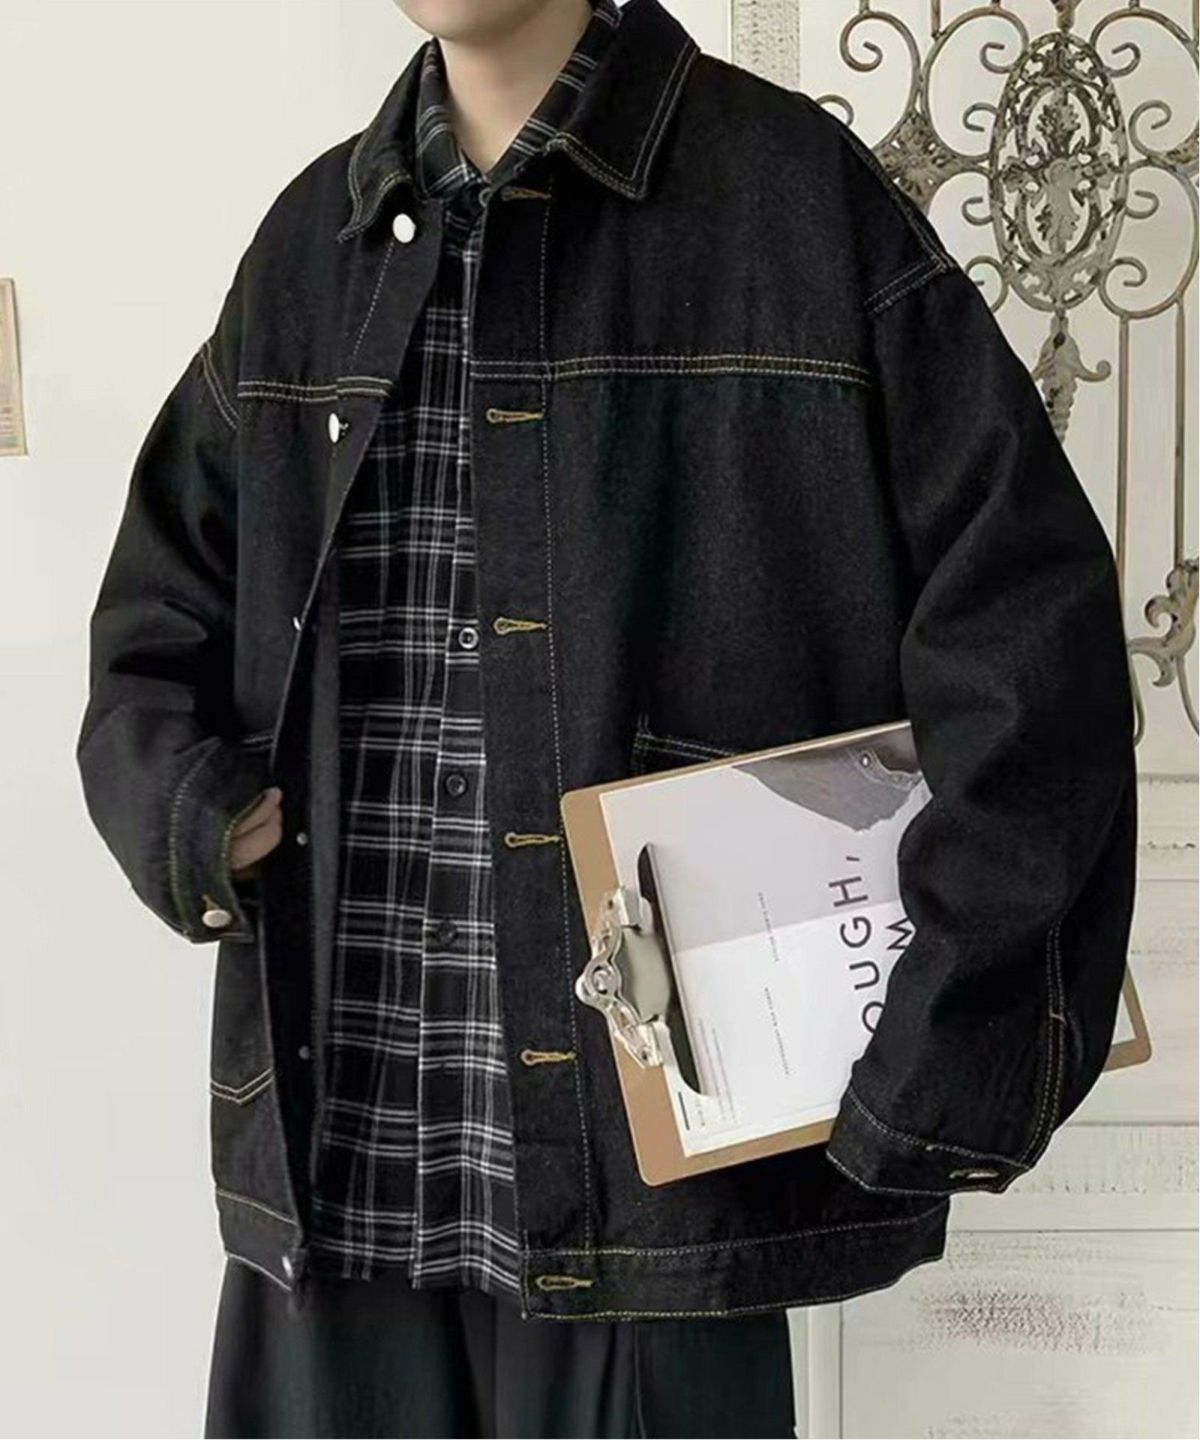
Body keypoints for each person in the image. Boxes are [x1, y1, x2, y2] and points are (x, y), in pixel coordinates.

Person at [76, 0, 1138, 1436]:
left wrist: (944, 1034)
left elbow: (1033, 643)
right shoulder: (310, 246)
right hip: (338, 1160)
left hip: (654, 1200)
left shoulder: (790, 204)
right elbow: (155, 616)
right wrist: (190, 813)